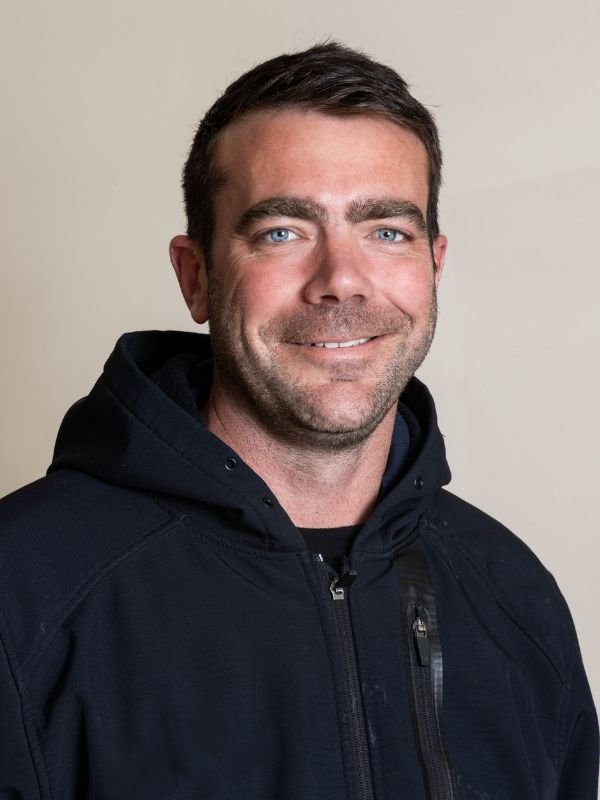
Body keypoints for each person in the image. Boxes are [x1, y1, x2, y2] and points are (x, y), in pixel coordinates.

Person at [0, 42, 597, 800]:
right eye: (282, 231)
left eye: (387, 230)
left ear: (433, 264)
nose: (341, 279)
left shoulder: (515, 598)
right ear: (197, 278)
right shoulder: (23, 595)